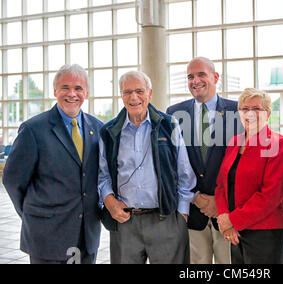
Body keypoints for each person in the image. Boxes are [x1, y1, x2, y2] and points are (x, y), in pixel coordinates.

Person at [2, 64, 103, 264]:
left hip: (86, 235)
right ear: (55, 91)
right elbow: (13, 180)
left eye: (78, 88)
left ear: (87, 93)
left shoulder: (98, 128)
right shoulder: (33, 129)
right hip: (47, 234)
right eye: (65, 87)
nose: (72, 94)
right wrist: (32, 213)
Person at [98, 71, 196, 264]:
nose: (133, 97)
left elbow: (185, 174)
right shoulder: (109, 132)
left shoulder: (169, 125)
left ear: (149, 93)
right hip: (125, 223)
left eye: (139, 91)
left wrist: (181, 215)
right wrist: (110, 202)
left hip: (166, 220)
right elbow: (103, 176)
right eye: (127, 92)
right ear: (121, 95)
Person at [167, 57, 242, 264]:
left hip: (228, 214)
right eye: (190, 76)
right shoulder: (173, 114)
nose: (195, 80)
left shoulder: (237, 111)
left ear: (215, 77)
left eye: (201, 74)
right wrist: (195, 197)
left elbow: (242, 165)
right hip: (193, 212)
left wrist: (219, 203)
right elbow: (170, 165)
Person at [215, 88, 283, 264]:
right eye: (245, 108)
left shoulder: (278, 144)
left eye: (257, 109)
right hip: (235, 232)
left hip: (265, 232)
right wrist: (225, 218)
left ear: (268, 113)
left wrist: (232, 221)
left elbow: (270, 196)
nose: (250, 113)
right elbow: (221, 186)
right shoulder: (234, 142)